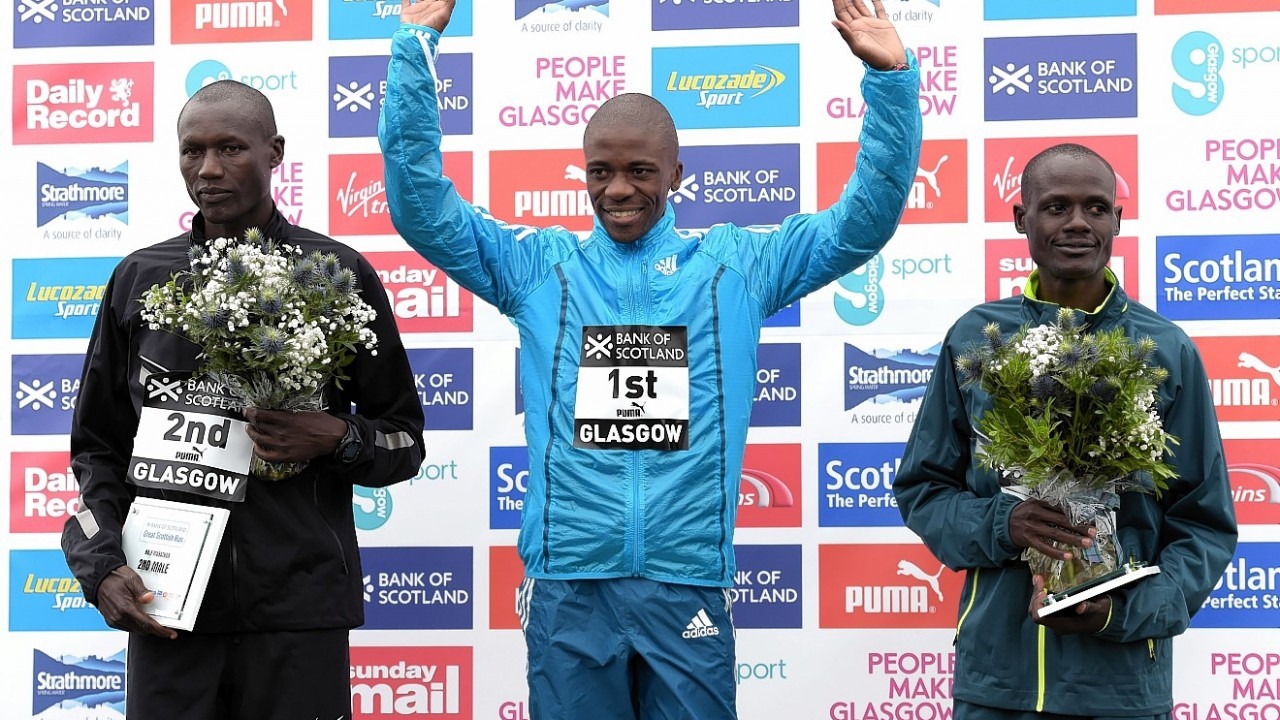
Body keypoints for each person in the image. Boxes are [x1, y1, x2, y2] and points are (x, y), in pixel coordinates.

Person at [380, 0, 920, 716]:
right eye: (599, 171)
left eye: (639, 170)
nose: (618, 189)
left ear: (676, 173)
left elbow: (862, 221)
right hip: (570, 583)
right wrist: (415, 49)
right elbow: (421, 206)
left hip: (686, 578)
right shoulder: (540, 268)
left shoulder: (735, 266)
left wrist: (891, 82)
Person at [61, 79, 425, 720]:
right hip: (166, 609)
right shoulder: (140, 278)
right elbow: (97, 448)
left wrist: (334, 436)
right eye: (191, 151)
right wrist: (101, 566)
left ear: (274, 152)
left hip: (298, 614)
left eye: (230, 149)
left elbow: (403, 439)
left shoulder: (337, 273)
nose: (208, 170)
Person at [892, 143, 1238, 719]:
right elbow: (923, 491)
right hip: (997, 681)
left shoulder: (1168, 350)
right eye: (1056, 207)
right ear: (1021, 219)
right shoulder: (975, 338)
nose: (1078, 223)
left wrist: (1121, 612)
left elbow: (1204, 525)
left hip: (1121, 686)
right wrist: (1006, 523)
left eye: (1096, 207)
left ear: (1118, 221)